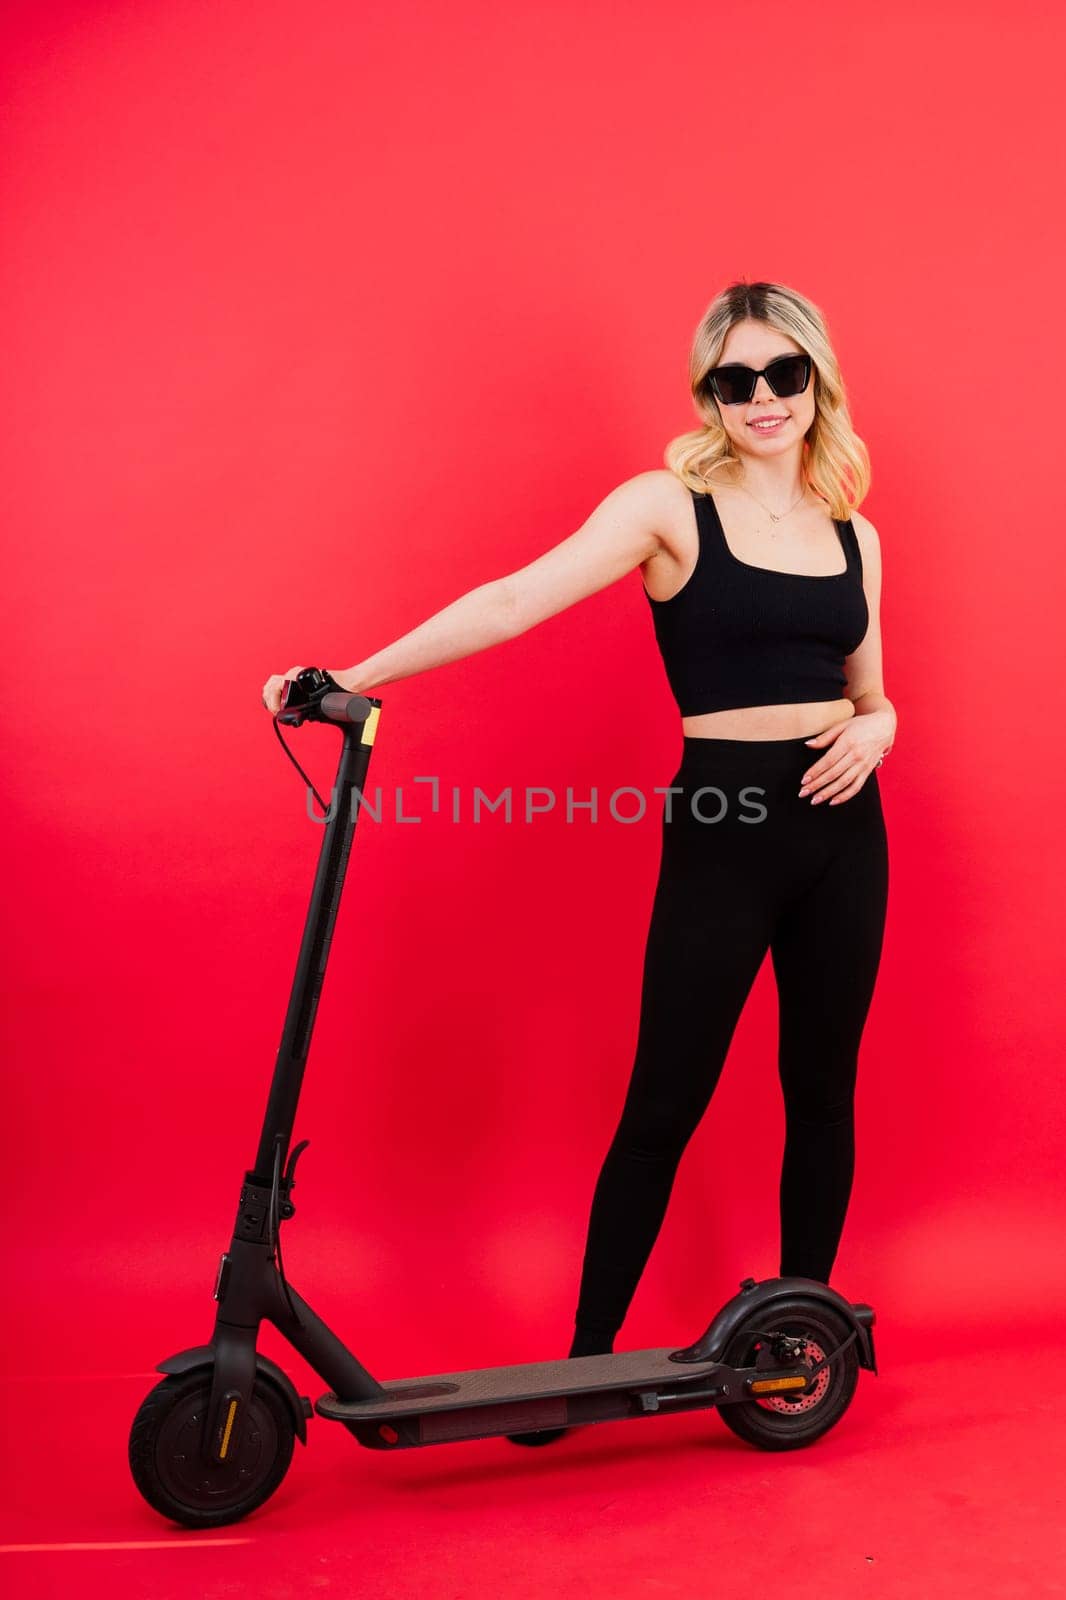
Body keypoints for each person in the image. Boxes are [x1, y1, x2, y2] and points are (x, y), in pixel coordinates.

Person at [262, 279, 894, 1445]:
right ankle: (582, 1365)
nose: (761, 399)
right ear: (707, 391)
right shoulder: (666, 507)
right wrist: (346, 671)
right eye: (733, 379)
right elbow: (513, 600)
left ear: (816, 379)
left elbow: (870, 693)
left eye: (782, 374)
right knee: (666, 1098)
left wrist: (883, 724)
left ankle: (805, 1340)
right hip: (723, 822)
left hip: (845, 831)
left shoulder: (855, 532)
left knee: (822, 1087)